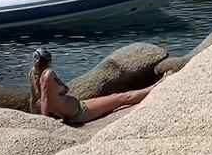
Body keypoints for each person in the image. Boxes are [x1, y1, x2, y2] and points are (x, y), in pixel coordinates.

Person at [29, 47, 157, 124]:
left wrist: (35, 117)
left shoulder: (32, 74)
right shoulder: (48, 74)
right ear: (48, 61)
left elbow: (35, 99)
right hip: (80, 112)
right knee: (121, 98)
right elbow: (45, 97)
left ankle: (153, 87)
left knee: (114, 97)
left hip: (71, 112)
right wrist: (45, 122)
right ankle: (156, 88)